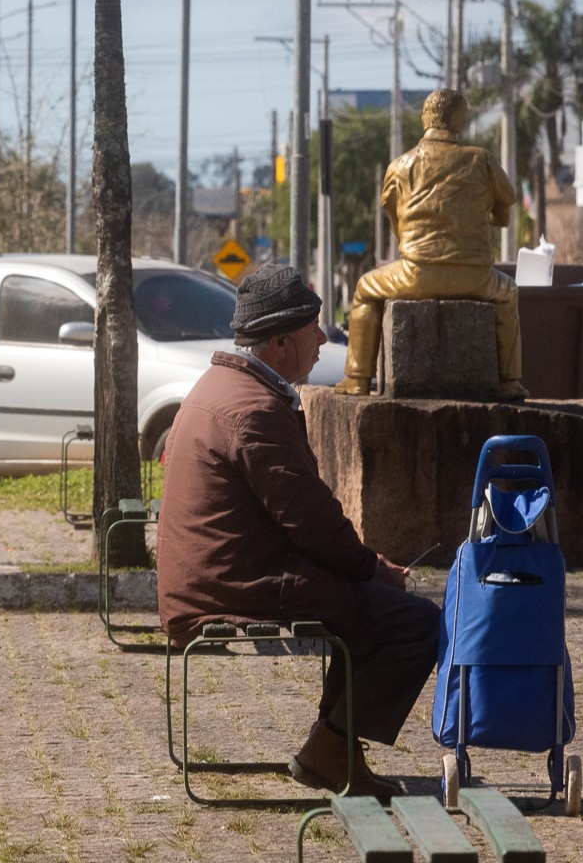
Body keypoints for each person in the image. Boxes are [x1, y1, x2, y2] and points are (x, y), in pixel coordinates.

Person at [156, 264, 441, 798]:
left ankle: (336, 747)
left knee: (359, 601)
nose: (322, 339)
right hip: (230, 583)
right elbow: (312, 523)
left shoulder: (227, 385)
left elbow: (301, 519)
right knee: (414, 623)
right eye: (314, 329)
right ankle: (329, 749)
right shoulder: (254, 408)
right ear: (281, 341)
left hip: (221, 571)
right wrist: (376, 569)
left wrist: (364, 572)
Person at [338, 87, 525, 399]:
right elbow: (505, 213)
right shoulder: (482, 160)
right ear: (460, 120)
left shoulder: (399, 166)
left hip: (416, 274)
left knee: (364, 289)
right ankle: (510, 383)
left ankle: (356, 379)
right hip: (476, 277)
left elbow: (397, 227)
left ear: (425, 118)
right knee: (508, 293)